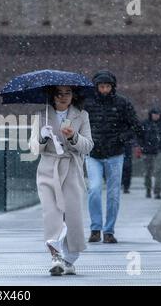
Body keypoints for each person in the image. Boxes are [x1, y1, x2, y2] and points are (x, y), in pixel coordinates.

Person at [29, 85, 94, 276]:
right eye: (59, 94)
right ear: (52, 96)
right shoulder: (41, 116)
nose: (64, 97)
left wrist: (73, 136)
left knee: (72, 215)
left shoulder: (81, 116)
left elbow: (88, 146)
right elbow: (33, 148)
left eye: (68, 93)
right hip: (48, 168)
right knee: (51, 213)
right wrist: (42, 137)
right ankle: (55, 256)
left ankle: (70, 258)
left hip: (72, 167)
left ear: (73, 95)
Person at [84, 70, 144, 244]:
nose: (104, 90)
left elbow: (135, 126)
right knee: (94, 190)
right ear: (96, 87)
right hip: (93, 153)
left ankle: (108, 231)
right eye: (101, 86)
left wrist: (122, 138)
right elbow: (78, 124)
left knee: (113, 194)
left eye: (107, 86)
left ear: (112, 87)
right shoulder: (87, 104)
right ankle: (96, 228)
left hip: (115, 154)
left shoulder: (123, 103)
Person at [138, 107, 161, 199]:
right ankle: (148, 189)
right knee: (148, 172)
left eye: (158, 114)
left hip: (160, 150)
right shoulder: (144, 124)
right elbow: (139, 137)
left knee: (158, 171)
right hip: (147, 151)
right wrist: (140, 147)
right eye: (154, 114)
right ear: (151, 114)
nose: (156, 116)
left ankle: (157, 192)